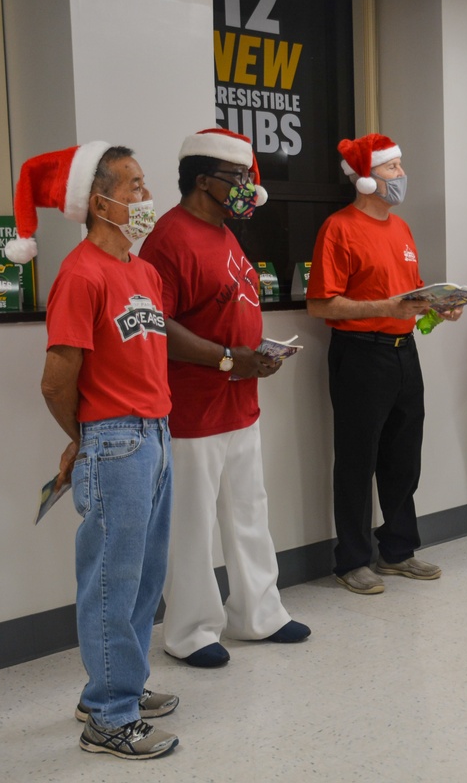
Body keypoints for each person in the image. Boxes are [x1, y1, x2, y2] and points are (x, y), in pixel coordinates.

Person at [14, 143, 179, 758]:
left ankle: (116, 689)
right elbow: (57, 380)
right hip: (115, 441)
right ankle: (109, 718)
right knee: (112, 578)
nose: (144, 197)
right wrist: (82, 442)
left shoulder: (142, 271)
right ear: (98, 200)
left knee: (143, 577)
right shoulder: (81, 274)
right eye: (133, 186)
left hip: (156, 434)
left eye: (143, 184)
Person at [140, 128, 310, 669]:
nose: (247, 188)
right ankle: (189, 631)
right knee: (191, 523)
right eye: (238, 178)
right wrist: (226, 358)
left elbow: (226, 307)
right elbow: (157, 323)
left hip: (239, 401)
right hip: (193, 410)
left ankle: (258, 614)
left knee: (248, 511)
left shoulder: (225, 233)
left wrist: (254, 354)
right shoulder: (169, 237)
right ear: (202, 179)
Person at [307, 133, 460, 594]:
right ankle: (352, 560)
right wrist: (383, 308)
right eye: (393, 169)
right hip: (360, 355)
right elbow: (322, 305)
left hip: (403, 353)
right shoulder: (338, 228)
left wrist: (439, 308)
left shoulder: (402, 228)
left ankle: (398, 550)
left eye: (400, 167)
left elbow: (406, 299)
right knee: (357, 461)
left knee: (403, 457)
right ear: (365, 179)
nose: (401, 176)